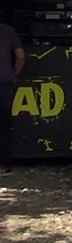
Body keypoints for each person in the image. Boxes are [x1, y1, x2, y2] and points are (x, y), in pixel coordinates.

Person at [0, 11, 25, 177]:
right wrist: (14, 74)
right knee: (4, 123)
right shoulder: (8, 31)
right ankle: (5, 165)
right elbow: (21, 56)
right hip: (4, 82)